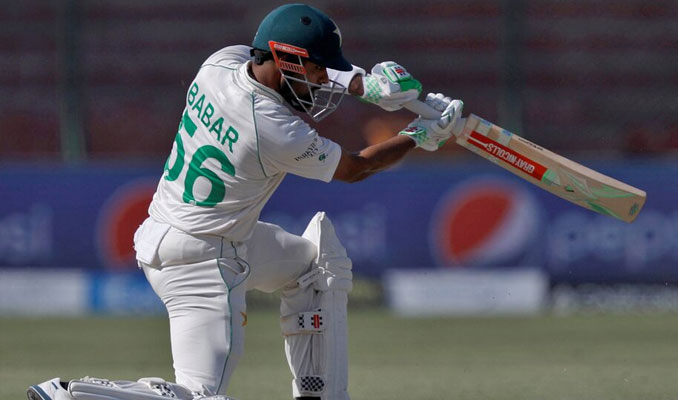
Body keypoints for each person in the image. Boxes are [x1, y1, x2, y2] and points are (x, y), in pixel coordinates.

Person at [27, 3, 463, 400]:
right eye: (313, 73)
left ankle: (319, 394)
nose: (316, 83)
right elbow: (354, 169)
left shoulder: (221, 62)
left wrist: (367, 85)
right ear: (286, 61)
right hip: (203, 262)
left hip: (187, 235)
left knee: (315, 262)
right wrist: (420, 136)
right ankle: (74, 396)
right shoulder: (273, 130)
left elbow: (305, 63)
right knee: (201, 396)